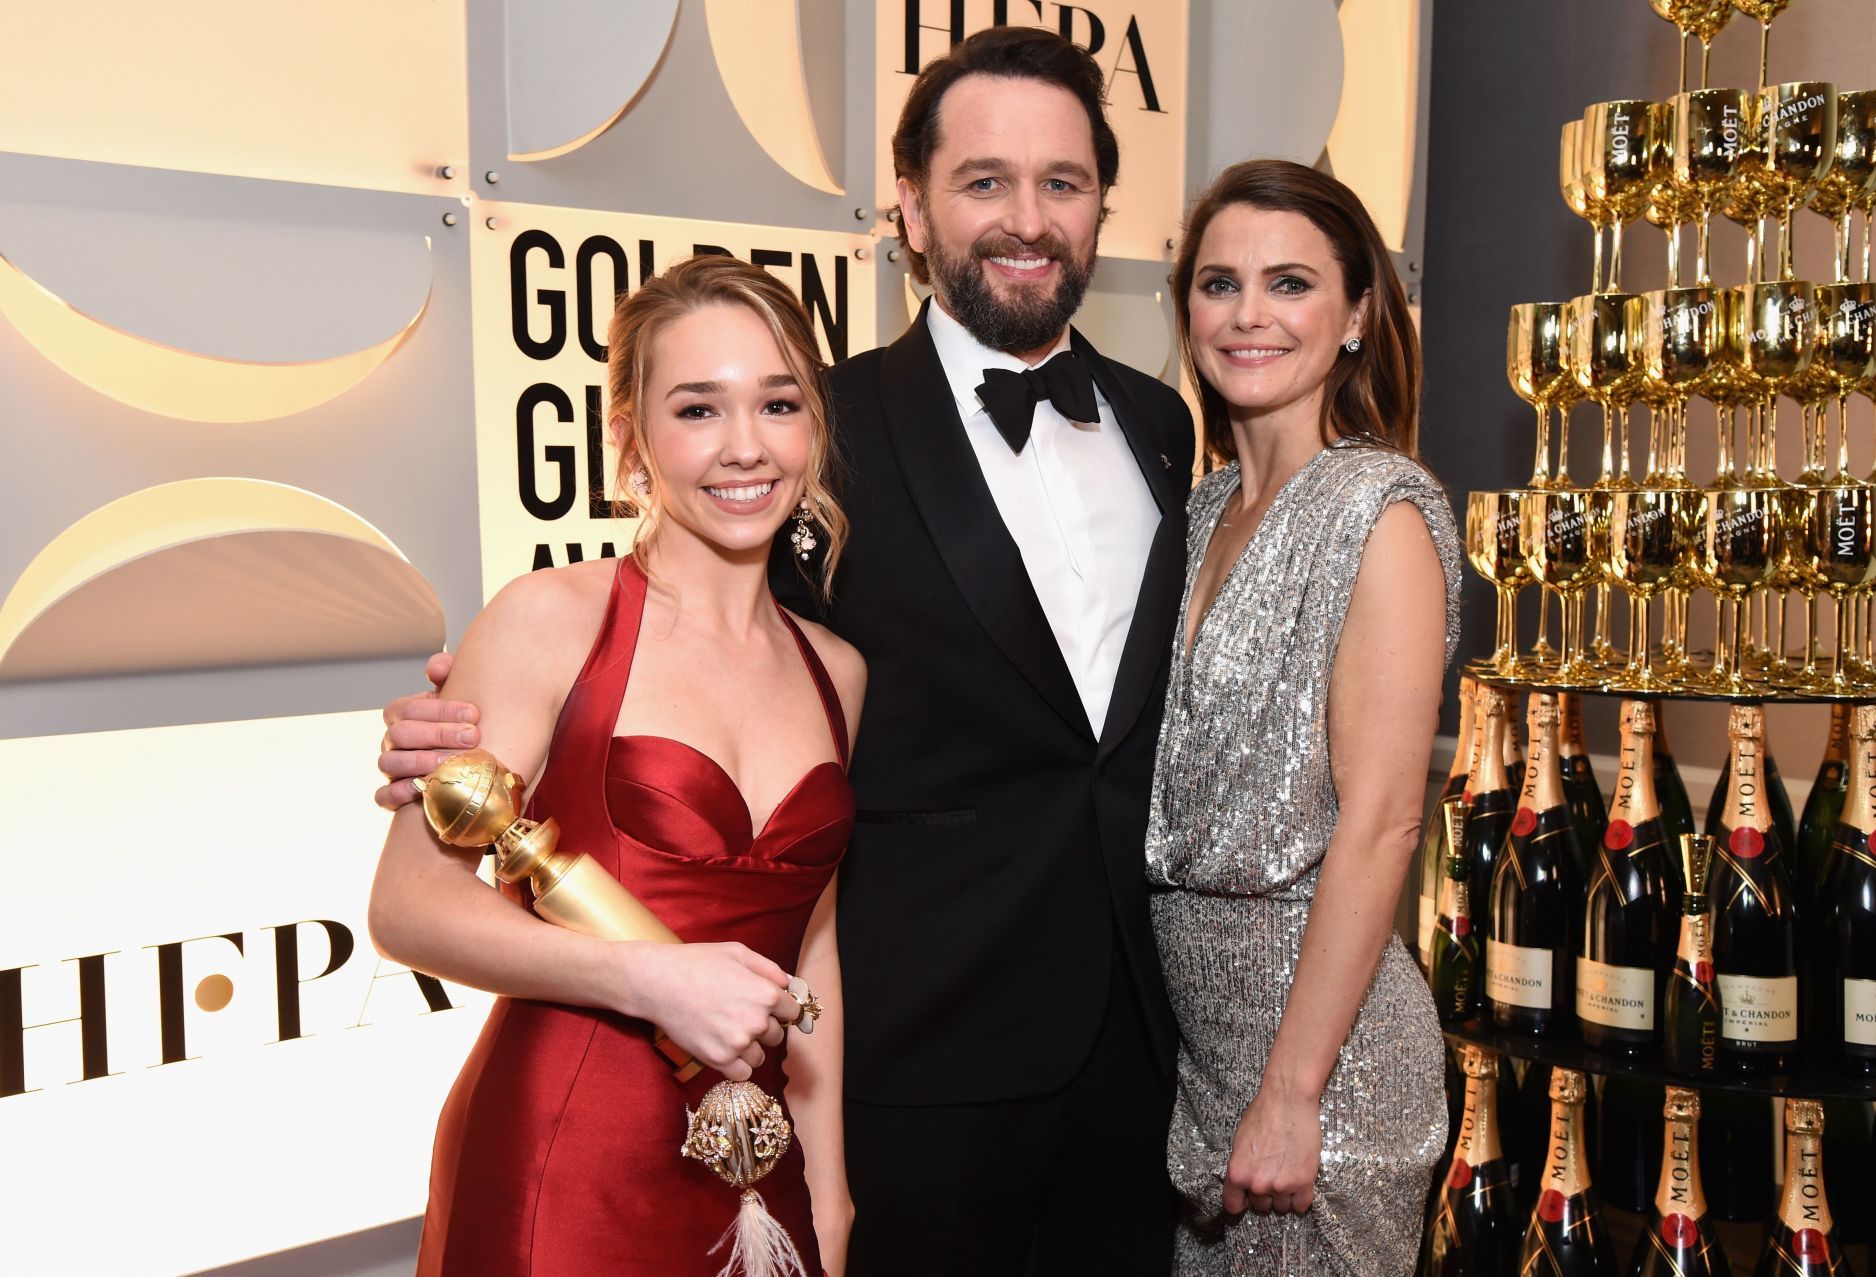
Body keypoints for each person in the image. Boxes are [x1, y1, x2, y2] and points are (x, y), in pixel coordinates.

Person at [377, 26, 1192, 1274]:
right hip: (912, 1076)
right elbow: (610, 681)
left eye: (1063, 182)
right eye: (984, 181)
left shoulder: (1159, 421)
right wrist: (444, 738)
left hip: (1132, 1055)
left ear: (1099, 206)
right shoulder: (840, 425)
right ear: (911, 209)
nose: (1027, 218)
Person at [366, 254, 865, 1276]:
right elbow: (407, 906)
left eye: (778, 402)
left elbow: (810, 945)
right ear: (631, 439)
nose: (745, 447)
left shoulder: (838, 669)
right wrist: (649, 977)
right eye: (697, 408)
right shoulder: (552, 618)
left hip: (755, 1159)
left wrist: (829, 1177)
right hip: (566, 1146)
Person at [1146, 159, 1458, 1275]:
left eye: (1289, 283)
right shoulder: (1199, 510)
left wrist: (1293, 1090)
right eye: (1219, 283)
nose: (1249, 315)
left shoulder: (1380, 511)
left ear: (1359, 313)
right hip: (1201, 1050)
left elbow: (1382, 820)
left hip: (1328, 1067)